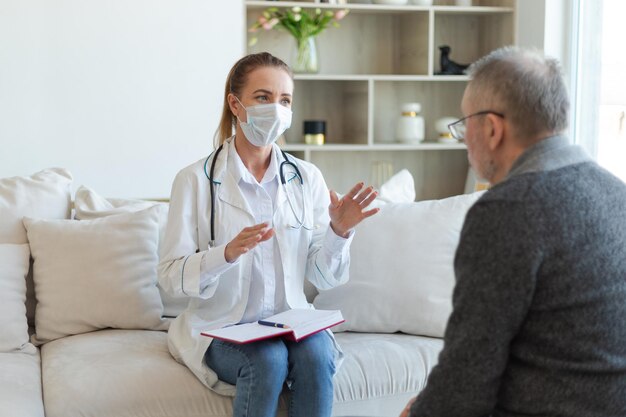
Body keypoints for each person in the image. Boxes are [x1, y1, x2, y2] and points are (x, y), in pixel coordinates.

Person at [400, 46, 626, 417]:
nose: (464, 140)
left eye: (464, 124)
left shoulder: (508, 209)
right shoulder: (616, 192)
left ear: (491, 128)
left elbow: (469, 372)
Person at [158, 52, 379, 417]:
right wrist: (225, 254)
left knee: (318, 354)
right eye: (263, 97)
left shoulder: (306, 178)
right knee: (268, 359)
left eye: (285, 100)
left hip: (290, 320)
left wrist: (339, 232)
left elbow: (322, 276)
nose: (276, 109)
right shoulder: (194, 180)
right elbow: (169, 276)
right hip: (220, 327)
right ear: (236, 104)